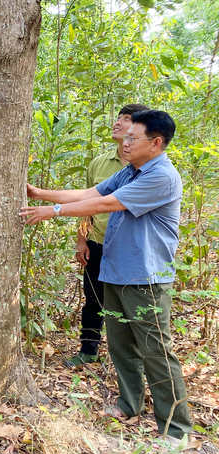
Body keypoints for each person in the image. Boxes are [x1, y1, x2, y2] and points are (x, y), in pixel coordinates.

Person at [20, 110, 192, 443]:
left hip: (146, 279)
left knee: (156, 351)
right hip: (116, 271)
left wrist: (51, 212)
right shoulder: (131, 171)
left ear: (156, 143)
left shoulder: (161, 177)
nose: (125, 143)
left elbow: (106, 205)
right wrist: (40, 194)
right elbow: (90, 194)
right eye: (125, 137)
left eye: (132, 138)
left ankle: (176, 428)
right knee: (120, 345)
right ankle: (130, 403)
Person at [66, 104, 150, 368]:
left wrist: (52, 209)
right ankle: (88, 350)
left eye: (127, 120)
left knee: (128, 304)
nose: (118, 123)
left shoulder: (149, 169)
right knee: (93, 299)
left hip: (128, 249)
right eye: (119, 117)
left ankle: (129, 359)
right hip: (97, 243)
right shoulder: (100, 163)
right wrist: (82, 239)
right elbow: (87, 202)